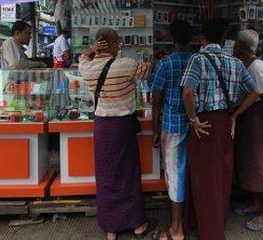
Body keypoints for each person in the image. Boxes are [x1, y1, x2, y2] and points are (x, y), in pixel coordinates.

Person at [180, 18, 260, 240]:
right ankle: (213, 224)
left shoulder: (198, 59)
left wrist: (193, 118)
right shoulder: (235, 62)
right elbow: (255, 92)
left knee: (203, 177)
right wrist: (235, 115)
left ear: (201, 38)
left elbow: (187, 92)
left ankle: (208, 230)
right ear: (225, 38)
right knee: (221, 176)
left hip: (203, 124)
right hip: (225, 122)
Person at [78, 28, 155, 240]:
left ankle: (111, 228)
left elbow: (83, 57)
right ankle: (137, 224)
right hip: (123, 126)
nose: (119, 47)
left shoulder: (86, 68)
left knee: (107, 176)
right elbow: (148, 70)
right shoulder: (126, 65)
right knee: (128, 174)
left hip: (102, 127)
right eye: (117, 44)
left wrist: (92, 50)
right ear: (111, 44)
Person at [232, 30, 263, 232]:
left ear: (241, 47)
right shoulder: (247, 65)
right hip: (247, 121)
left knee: (257, 164)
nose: (233, 47)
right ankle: (258, 202)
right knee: (249, 162)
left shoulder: (258, 68)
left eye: (235, 44)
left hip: (255, 122)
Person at [150, 20, 192, 240]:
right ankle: (188, 219)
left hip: (172, 125)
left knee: (174, 175)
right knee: (189, 173)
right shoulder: (197, 62)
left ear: (172, 39)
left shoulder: (164, 65)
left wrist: (155, 130)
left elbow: (156, 101)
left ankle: (176, 229)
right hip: (196, 125)